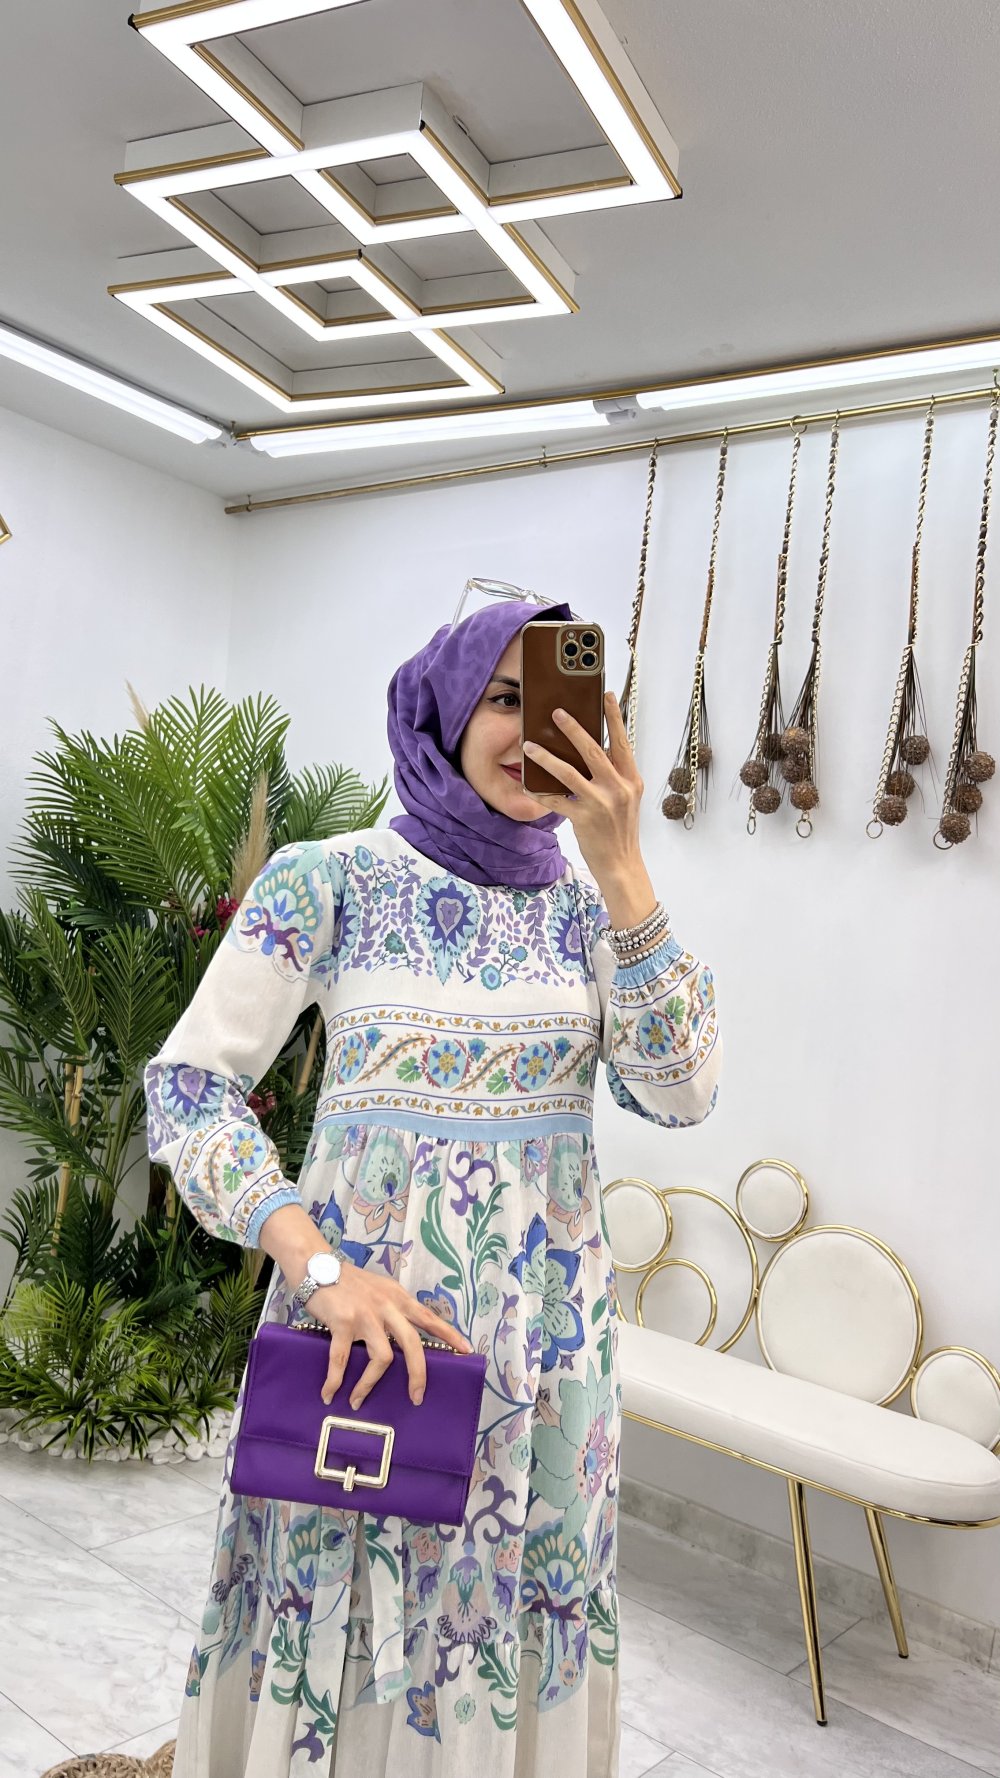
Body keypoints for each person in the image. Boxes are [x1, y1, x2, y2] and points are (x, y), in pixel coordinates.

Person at [143, 595, 722, 1778]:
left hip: (542, 1375)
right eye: (502, 697)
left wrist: (622, 862)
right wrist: (318, 1268)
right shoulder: (331, 880)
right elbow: (190, 1090)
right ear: (446, 709)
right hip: (362, 1355)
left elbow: (684, 1091)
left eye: (553, 699)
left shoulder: (593, 911)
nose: (529, 729)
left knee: (501, 1636)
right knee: (344, 1619)